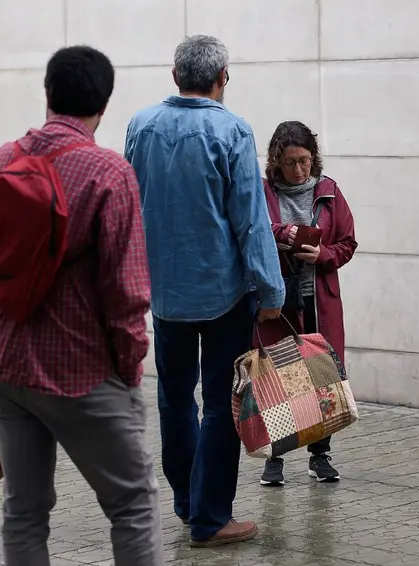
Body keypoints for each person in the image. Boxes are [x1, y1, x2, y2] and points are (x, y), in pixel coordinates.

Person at [0, 46, 163, 566]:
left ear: (47, 94)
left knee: (23, 512)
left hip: (4, 369)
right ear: (104, 104)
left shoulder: (0, 162)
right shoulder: (109, 172)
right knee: (133, 505)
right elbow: (126, 293)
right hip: (81, 372)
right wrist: (128, 372)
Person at [124, 35, 284, 547]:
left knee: (173, 399)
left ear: (175, 76)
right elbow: (250, 220)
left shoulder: (141, 126)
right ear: (222, 79)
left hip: (165, 293)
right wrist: (271, 290)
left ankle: (188, 502)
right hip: (224, 295)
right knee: (219, 404)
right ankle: (210, 518)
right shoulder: (232, 130)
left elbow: (130, 205)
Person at [256, 121, 357, 486]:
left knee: (322, 376)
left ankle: (320, 454)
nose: (299, 169)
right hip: (278, 300)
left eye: (305, 161)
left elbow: (348, 243)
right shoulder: (263, 192)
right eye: (290, 162)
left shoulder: (328, 191)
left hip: (318, 300)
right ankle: (275, 458)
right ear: (276, 161)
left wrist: (323, 255)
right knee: (278, 379)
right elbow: (253, 231)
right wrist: (283, 234)